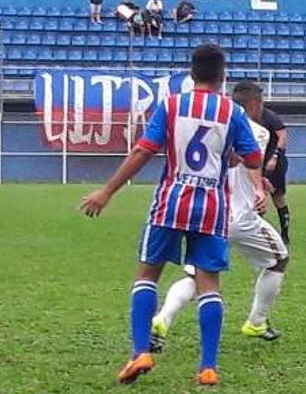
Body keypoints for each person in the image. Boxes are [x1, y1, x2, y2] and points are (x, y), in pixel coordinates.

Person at [79, 44, 263, 386]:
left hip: (171, 201)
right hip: (211, 208)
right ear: (223, 76)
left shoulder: (173, 105)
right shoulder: (232, 112)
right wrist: (231, 156)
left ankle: (140, 353)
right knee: (209, 285)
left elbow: (143, 151)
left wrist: (107, 191)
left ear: (191, 74)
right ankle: (207, 367)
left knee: (147, 276)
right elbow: (252, 159)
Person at [151, 81, 290, 353]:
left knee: (197, 275)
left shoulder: (215, 123)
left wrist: (259, 182)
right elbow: (251, 162)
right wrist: (259, 188)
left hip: (210, 213)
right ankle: (257, 322)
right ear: (254, 105)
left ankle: (162, 319)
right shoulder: (257, 131)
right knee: (280, 260)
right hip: (240, 216)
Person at [258, 91, 292, 244]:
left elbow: (283, 136)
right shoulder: (245, 117)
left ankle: (284, 234)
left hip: (274, 164)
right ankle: (258, 234)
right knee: (257, 197)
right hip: (257, 163)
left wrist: (275, 156)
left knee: (277, 197)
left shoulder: (269, 116)